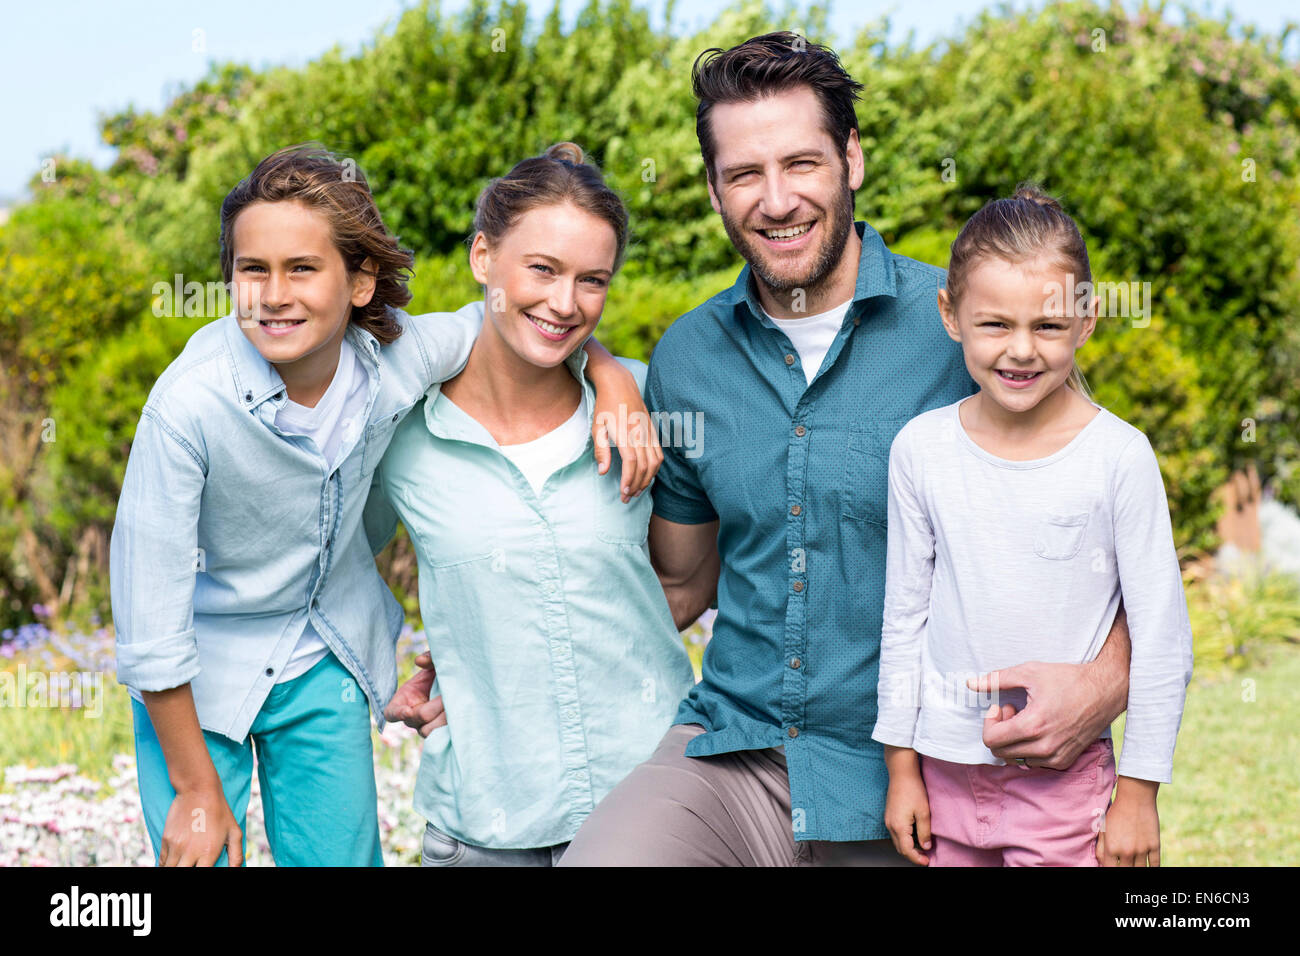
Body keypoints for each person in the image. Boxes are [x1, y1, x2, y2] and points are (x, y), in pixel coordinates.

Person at [559, 33, 1133, 867]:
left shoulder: (969, 333)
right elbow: (678, 582)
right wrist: (483, 671)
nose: (777, 199)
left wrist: (1101, 684)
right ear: (714, 189)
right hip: (737, 752)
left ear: (852, 161)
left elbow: (1110, 542)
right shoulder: (688, 358)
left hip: (929, 774)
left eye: (802, 163)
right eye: (744, 175)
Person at [110, 143, 657, 866]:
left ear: (361, 282)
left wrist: (612, 376)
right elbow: (150, 629)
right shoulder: (187, 409)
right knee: (202, 851)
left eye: (302, 269)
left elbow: (523, 320)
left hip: (321, 667)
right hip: (192, 679)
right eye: (252, 271)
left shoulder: (398, 361)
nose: (274, 296)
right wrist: (194, 790)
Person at [370, 143, 695, 866]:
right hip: (484, 826)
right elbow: (328, 562)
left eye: (592, 281)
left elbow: (690, 575)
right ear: (484, 256)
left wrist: (609, 372)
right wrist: (435, 665)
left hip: (654, 812)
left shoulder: (647, 401)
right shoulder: (402, 434)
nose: (564, 303)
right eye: (542, 269)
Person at [872, 186, 1194, 867]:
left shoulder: (1119, 457)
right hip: (944, 777)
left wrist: (1138, 794)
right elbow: (904, 618)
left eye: (1047, 326)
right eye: (995, 325)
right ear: (950, 315)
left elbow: (1162, 637)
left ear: (1087, 321)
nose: (1021, 350)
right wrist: (902, 768)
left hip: (1065, 789)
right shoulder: (920, 450)